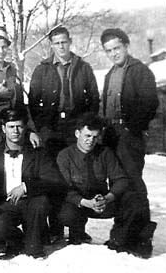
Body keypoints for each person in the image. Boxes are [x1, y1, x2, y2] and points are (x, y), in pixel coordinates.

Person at [28, 26, 100, 243]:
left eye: (64, 42)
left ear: (70, 42)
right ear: (51, 45)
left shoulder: (83, 68)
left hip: (75, 128)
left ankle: (78, 228)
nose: (61, 46)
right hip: (50, 129)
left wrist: (86, 127)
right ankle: (55, 229)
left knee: (78, 176)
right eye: (56, 43)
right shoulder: (42, 70)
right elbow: (32, 103)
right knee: (53, 177)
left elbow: (94, 100)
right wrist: (38, 129)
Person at [57, 113, 155, 258]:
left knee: (133, 199)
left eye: (95, 137)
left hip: (101, 202)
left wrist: (108, 197)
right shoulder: (65, 155)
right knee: (66, 213)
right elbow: (64, 188)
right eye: (87, 136)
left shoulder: (105, 153)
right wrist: (85, 202)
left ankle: (118, 240)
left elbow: (121, 179)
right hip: (78, 203)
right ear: (78, 133)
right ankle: (76, 235)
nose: (91, 141)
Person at [0, 110, 64, 258]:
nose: (16, 131)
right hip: (5, 204)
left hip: (30, 202)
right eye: (11, 127)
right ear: (4, 129)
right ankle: (19, 239)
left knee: (40, 203)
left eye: (19, 126)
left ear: (25, 128)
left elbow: (54, 180)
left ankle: (33, 244)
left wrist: (26, 187)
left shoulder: (37, 151)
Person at [100, 28, 158, 223]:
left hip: (130, 136)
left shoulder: (140, 71)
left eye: (117, 48)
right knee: (117, 184)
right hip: (112, 136)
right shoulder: (110, 74)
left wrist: (131, 129)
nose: (113, 53)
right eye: (108, 51)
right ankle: (122, 234)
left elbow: (150, 104)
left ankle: (141, 237)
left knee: (133, 184)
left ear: (126, 46)